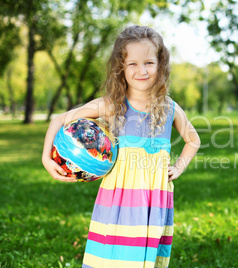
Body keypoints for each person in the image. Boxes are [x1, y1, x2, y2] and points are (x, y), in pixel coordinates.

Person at [42, 25, 201, 268]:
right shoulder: (111, 105)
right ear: (121, 67)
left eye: (149, 62)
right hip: (118, 199)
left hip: (154, 200)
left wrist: (178, 168)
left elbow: (193, 140)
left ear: (160, 65)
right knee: (113, 257)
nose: (142, 71)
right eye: (133, 64)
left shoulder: (170, 108)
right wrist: (46, 158)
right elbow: (59, 119)